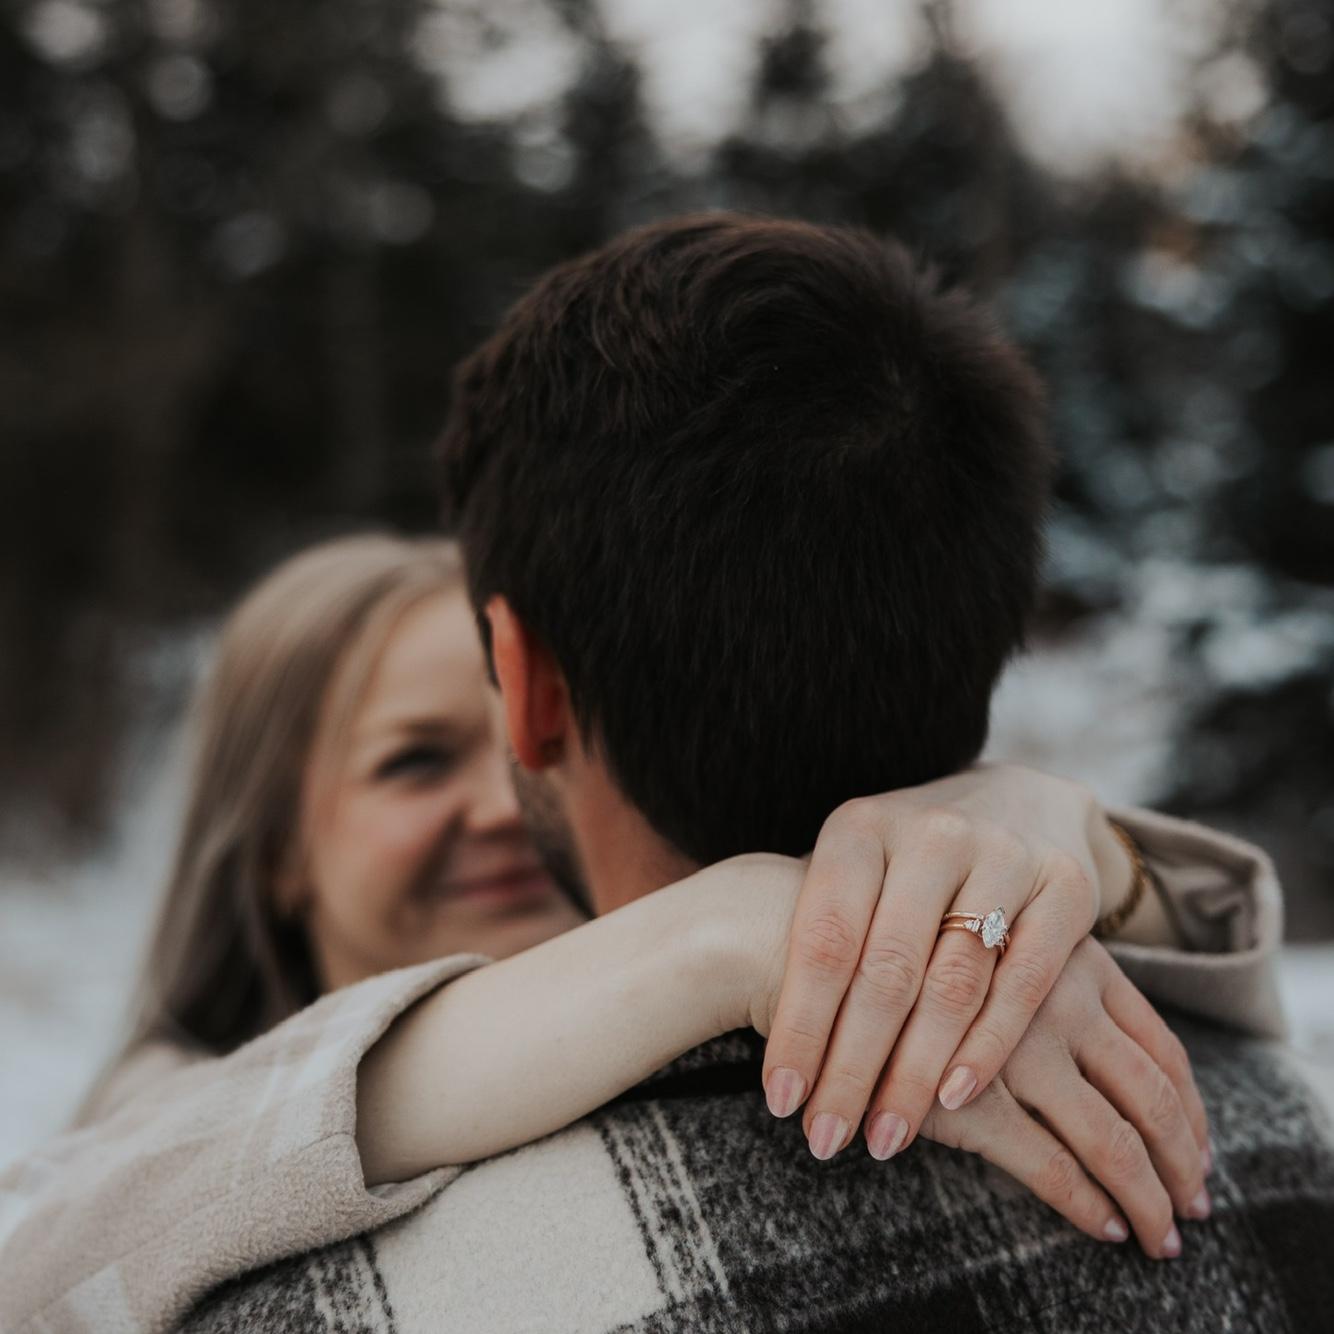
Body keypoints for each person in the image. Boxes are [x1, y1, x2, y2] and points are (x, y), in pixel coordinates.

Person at [180, 216, 1332, 1331]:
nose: (475, 805)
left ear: (522, 683)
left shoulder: (323, 1303)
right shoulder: (1279, 1133)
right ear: (984, 621)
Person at [0, 531, 1284, 1334]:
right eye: (410, 762)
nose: (499, 800)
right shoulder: (163, 1117)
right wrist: (716, 927)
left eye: (518, 738)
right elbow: (44, 1257)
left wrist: (1061, 835)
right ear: (277, 843)